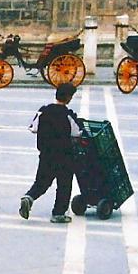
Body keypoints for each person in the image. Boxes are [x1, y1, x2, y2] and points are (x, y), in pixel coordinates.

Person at [20, 83, 82, 224]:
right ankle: (58, 213)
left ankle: (29, 197)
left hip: (46, 154)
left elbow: (33, 128)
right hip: (64, 155)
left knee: (42, 182)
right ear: (69, 98)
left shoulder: (43, 111)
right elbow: (77, 132)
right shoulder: (68, 115)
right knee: (64, 184)